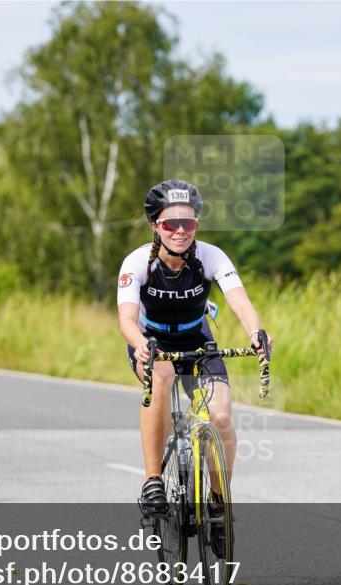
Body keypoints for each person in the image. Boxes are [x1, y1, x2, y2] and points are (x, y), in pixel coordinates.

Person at [117, 178, 275, 521]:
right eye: (170, 223)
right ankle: (153, 480)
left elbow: (240, 302)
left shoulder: (210, 256)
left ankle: (219, 502)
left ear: (196, 225)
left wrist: (256, 332)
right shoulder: (137, 263)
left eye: (187, 223)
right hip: (152, 341)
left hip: (197, 340)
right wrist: (141, 344)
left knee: (220, 418)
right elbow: (127, 320)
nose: (180, 231)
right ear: (155, 226)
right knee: (161, 376)